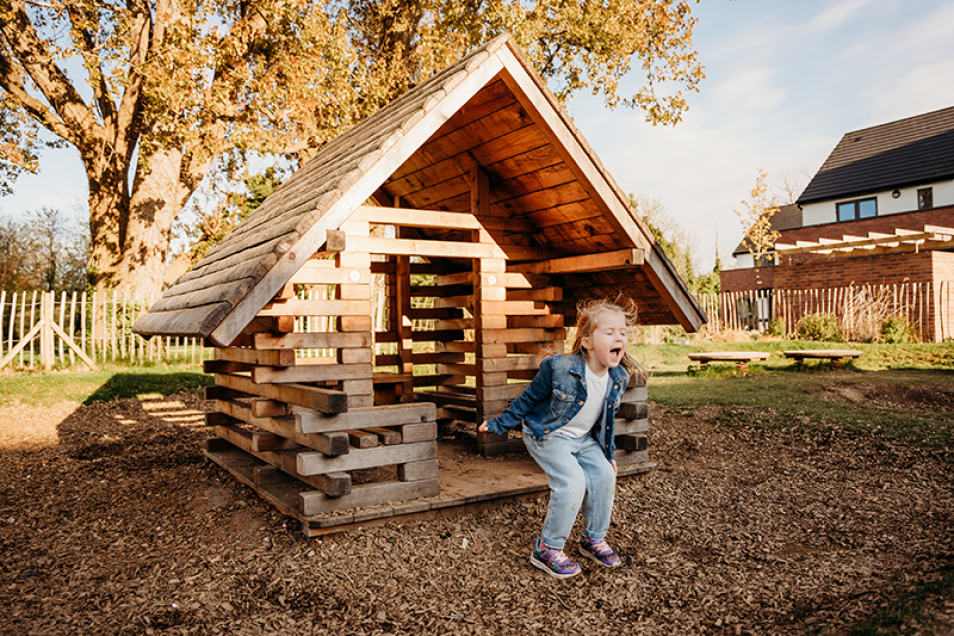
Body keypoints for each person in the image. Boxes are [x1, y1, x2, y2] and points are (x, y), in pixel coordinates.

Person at [479, 298, 645, 579]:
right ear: (587, 342)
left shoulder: (618, 377)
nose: (619, 337)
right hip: (548, 434)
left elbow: (605, 423)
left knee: (605, 475)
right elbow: (528, 400)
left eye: (623, 332)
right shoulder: (558, 368)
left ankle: (593, 540)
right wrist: (499, 424)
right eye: (609, 332)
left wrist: (608, 456)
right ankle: (547, 548)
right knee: (573, 481)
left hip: (582, 439)